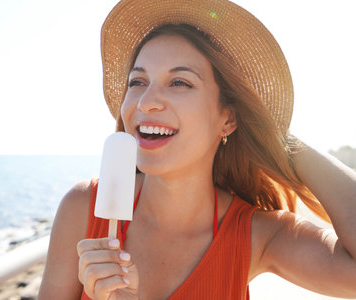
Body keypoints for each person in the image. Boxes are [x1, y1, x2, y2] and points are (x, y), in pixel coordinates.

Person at [38, 0, 356, 299]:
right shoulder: (83, 208)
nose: (146, 101)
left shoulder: (258, 234)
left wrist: (284, 143)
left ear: (227, 117)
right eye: (137, 82)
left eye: (180, 83)